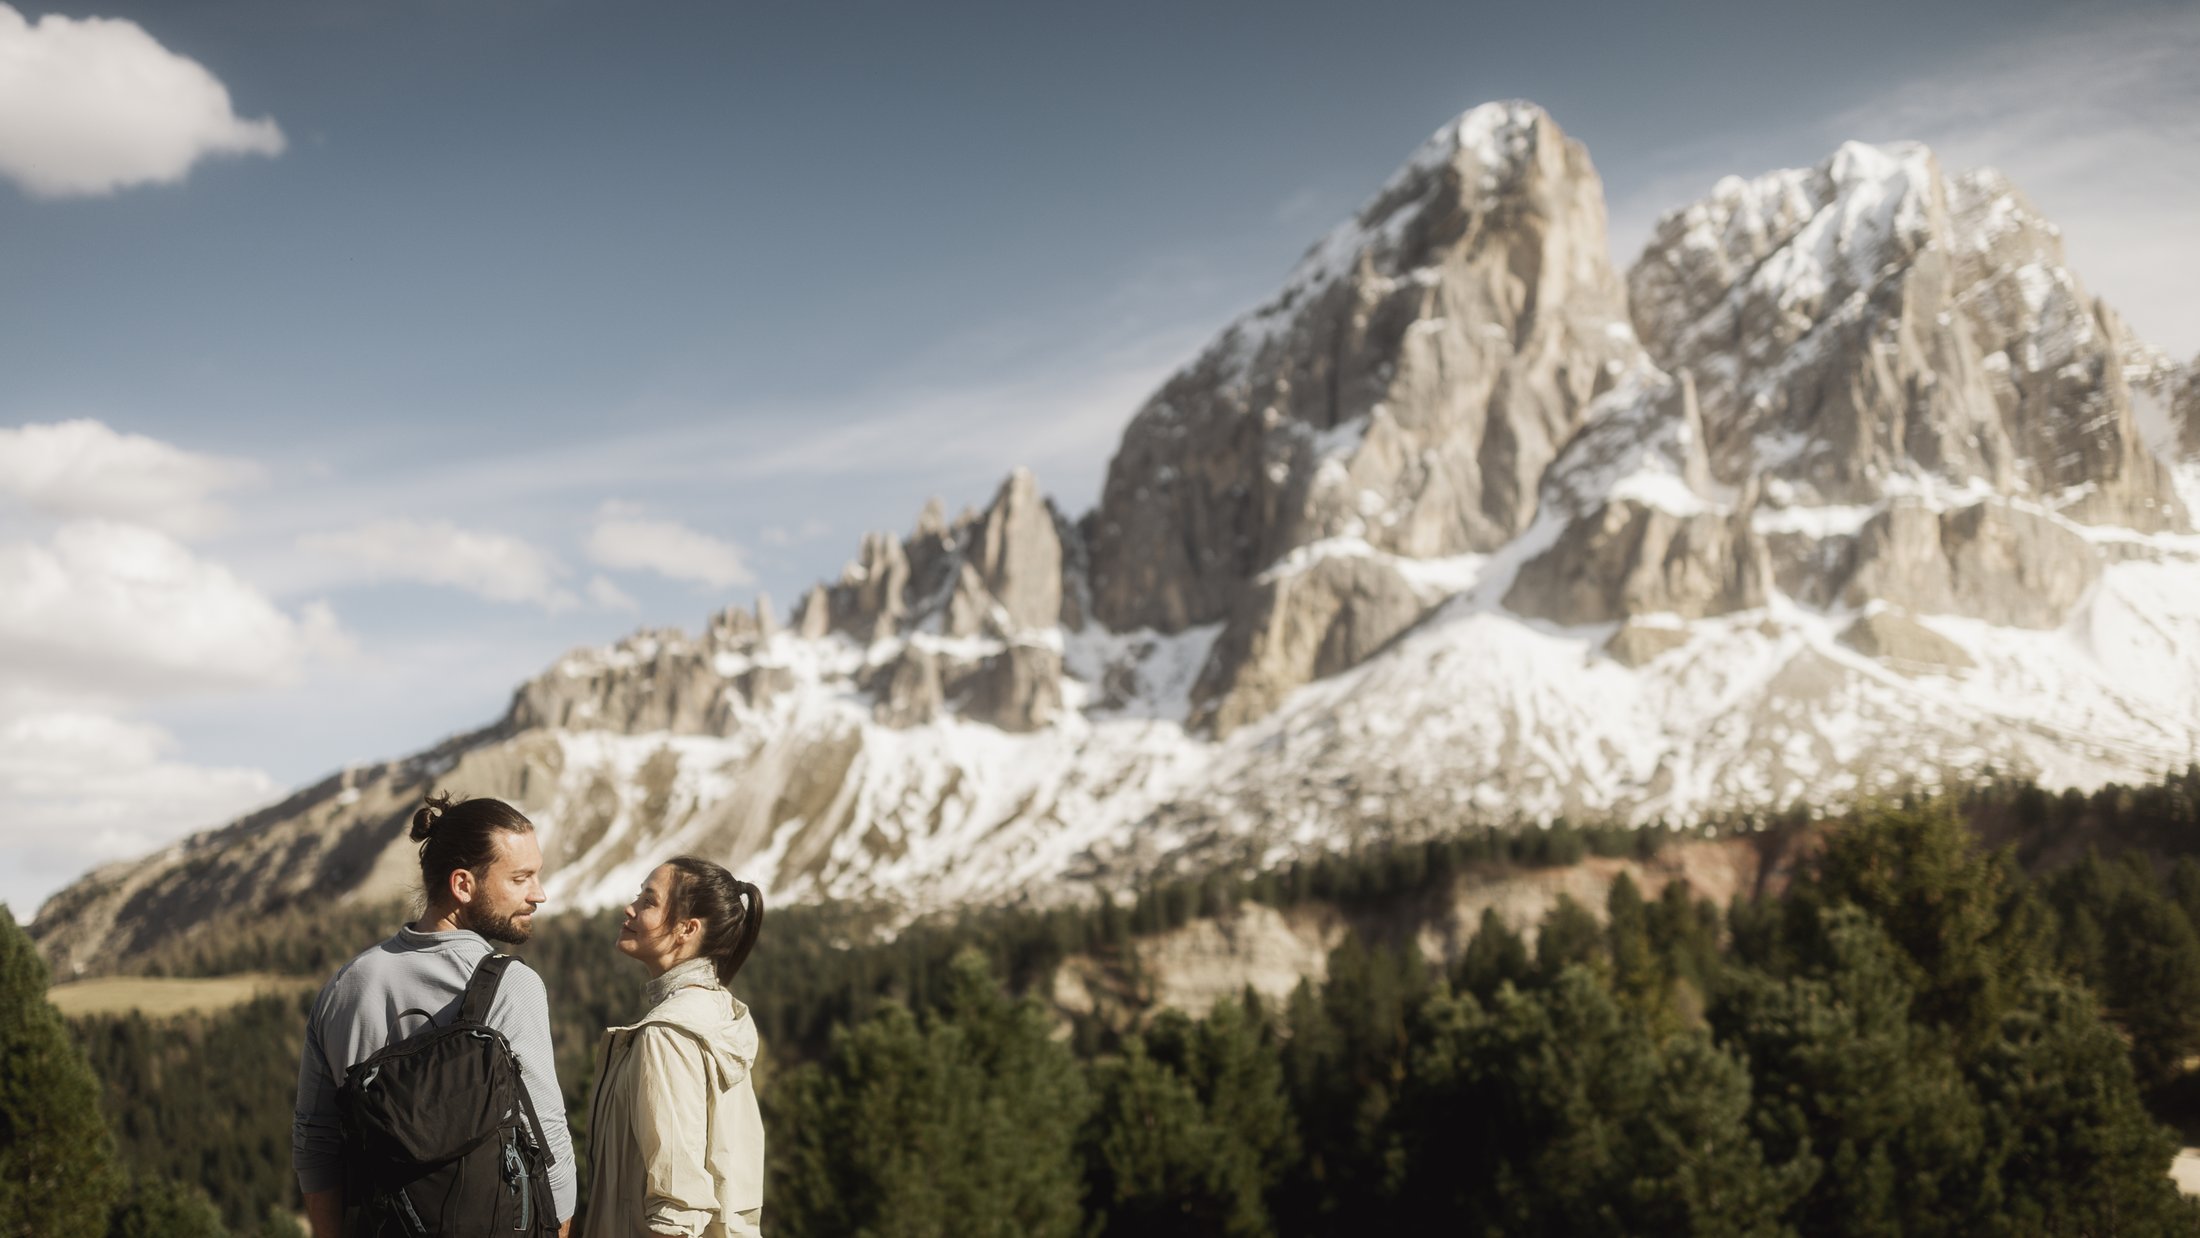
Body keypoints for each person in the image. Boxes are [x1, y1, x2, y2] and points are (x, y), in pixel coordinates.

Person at [292, 792, 577, 1237]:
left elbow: (315, 1143)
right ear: (463, 885)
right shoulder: (510, 986)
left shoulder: (344, 986)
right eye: (521, 878)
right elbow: (546, 1134)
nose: (538, 894)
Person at [580, 856, 765, 1238]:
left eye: (648, 901)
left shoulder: (667, 1034)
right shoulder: (718, 1012)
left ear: (686, 929)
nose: (629, 908)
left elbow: (678, 1205)